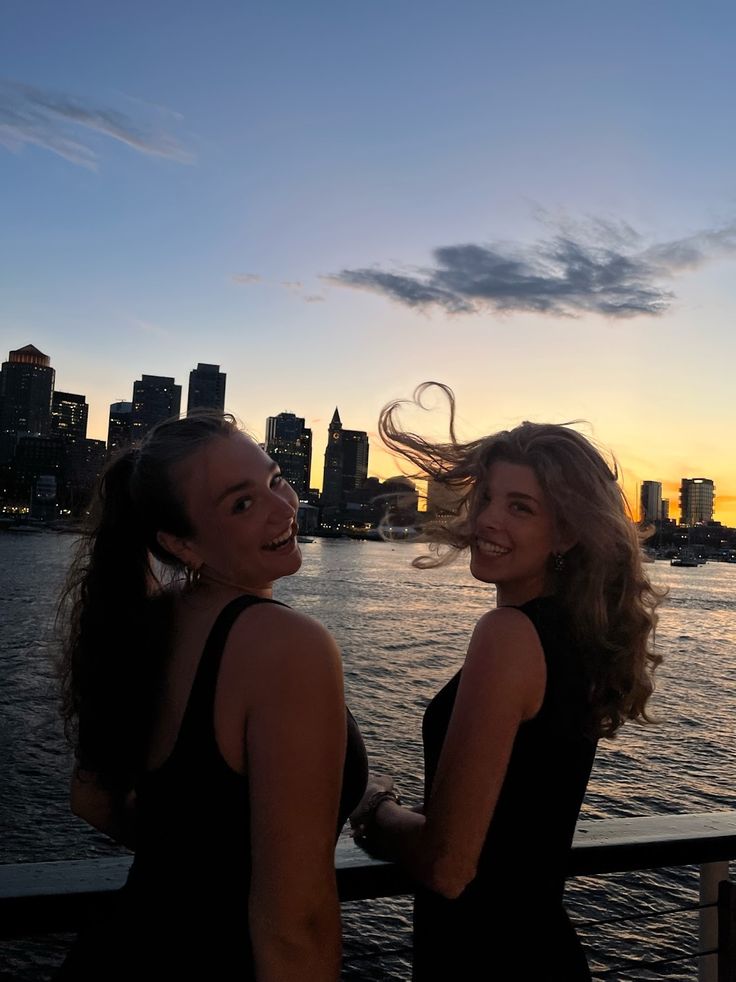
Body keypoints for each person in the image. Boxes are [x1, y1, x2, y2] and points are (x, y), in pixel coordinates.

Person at [351, 383, 663, 981]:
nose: (489, 518)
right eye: (488, 497)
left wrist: (377, 809)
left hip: (488, 960)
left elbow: (448, 866)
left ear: (567, 534)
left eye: (521, 507)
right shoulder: (575, 640)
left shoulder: (508, 635)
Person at [56, 411, 367, 981]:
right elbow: (293, 928)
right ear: (180, 543)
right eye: (241, 504)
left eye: (276, 480)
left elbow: (93, 801)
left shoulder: (147, 625)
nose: (284, 508)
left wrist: (195, 857)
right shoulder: (288, 646)